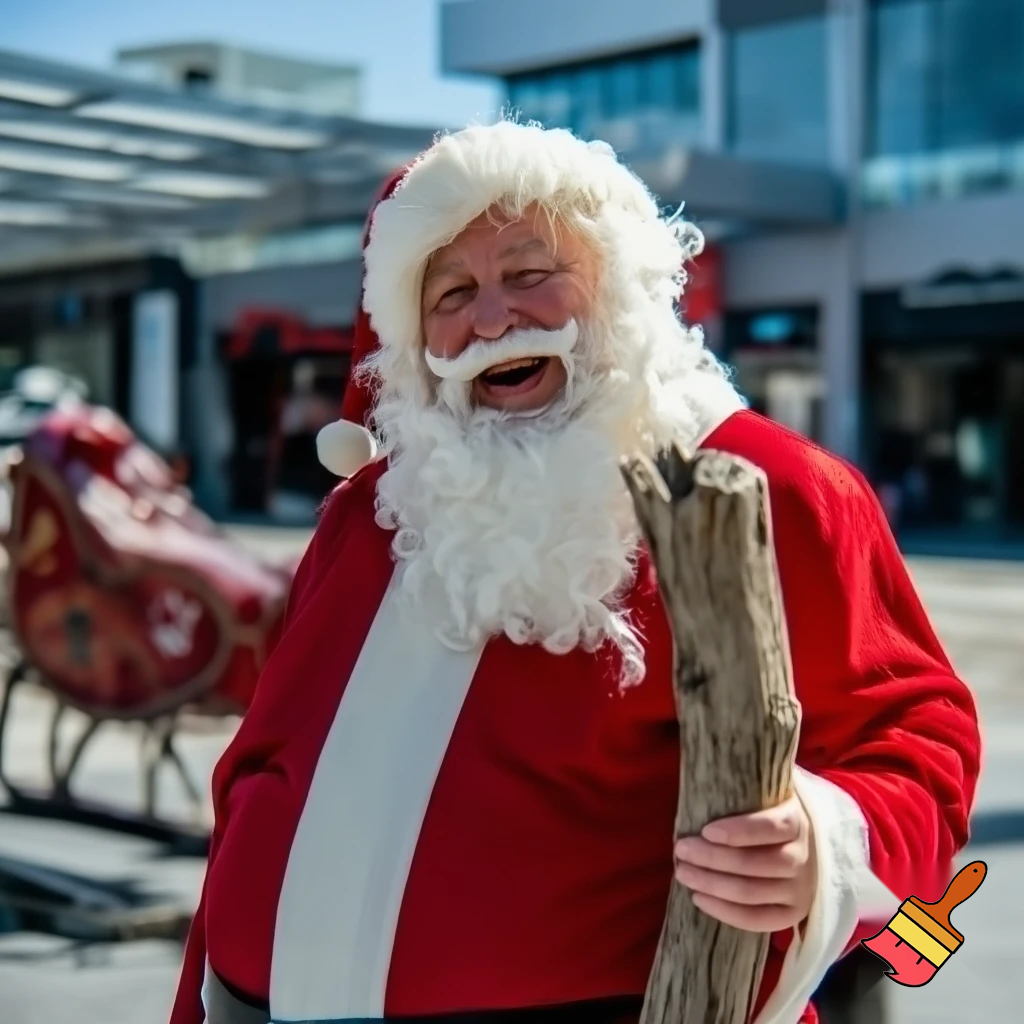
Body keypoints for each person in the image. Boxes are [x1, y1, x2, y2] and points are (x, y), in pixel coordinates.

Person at [170, 120, 980, 1024]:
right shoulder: (371, 511)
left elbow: (915, 739)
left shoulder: (766, 484)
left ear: (620, 286)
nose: (490, 319)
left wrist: (819, 848)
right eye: (452, 292)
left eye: (529, 275)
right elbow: (260, 773)